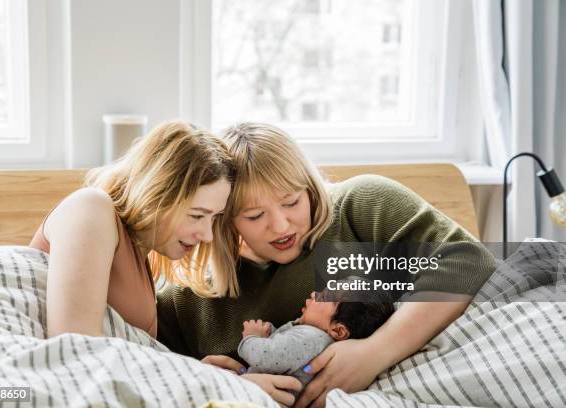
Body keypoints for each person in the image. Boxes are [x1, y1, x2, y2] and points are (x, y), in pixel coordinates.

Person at [157, 122, 496, 407]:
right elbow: (145, 369)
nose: (281, 226)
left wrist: (373, 353)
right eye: (255, 215)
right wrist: (214, 381)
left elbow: (467, 259)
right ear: (224, 220)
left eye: (292, 201)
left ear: (310, 189)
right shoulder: (188, 300)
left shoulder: (358, 206)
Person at [29, 120, 237, 339]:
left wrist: (202, 368)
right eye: (196, 215)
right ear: (158, 194)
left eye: (214, 217)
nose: (207, 235)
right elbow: (74, 345)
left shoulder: (140, 258)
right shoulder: (92, 208)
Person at [238, 283, 395, 396]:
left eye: (324, 296)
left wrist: (252, 337)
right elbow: (285, 352)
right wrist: (269, 333)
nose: (314, 294)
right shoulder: (314, 340)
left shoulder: (312, 339)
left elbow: (267, 357)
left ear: (338, 331)